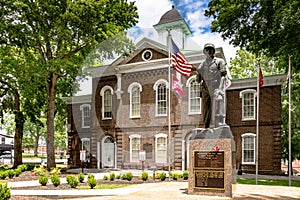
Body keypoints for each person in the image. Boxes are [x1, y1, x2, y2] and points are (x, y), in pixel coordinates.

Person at [192, 43, 229, 128]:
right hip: (205, 87)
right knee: (206, 106)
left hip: (215, 86)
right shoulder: (202, 64)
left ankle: (219, 122)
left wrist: (221, 88)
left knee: (218, 101)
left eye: (210, 49)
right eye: (207, 50)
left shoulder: (219, 61)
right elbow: (198, 79)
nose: (209, 51)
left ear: (213, 51)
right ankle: (206, 124)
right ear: (205, 52)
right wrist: (197, 74)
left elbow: (224, 75)